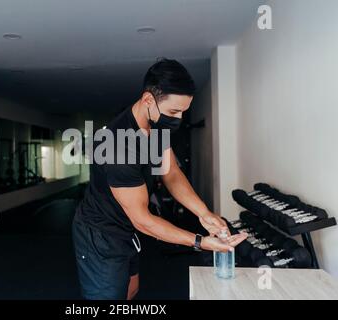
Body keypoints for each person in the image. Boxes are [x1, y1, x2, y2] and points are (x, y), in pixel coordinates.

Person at [72, 58, 247, 300]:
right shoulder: (116, 145)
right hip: (101, 235)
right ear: (147, 100)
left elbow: (171, 172)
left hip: (126, 230)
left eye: (183, 112)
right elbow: (143, 220)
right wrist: (200, 242)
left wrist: (203, 213)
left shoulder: (157, 126)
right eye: (174, 111)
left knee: (130, 289)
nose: (179, 119)